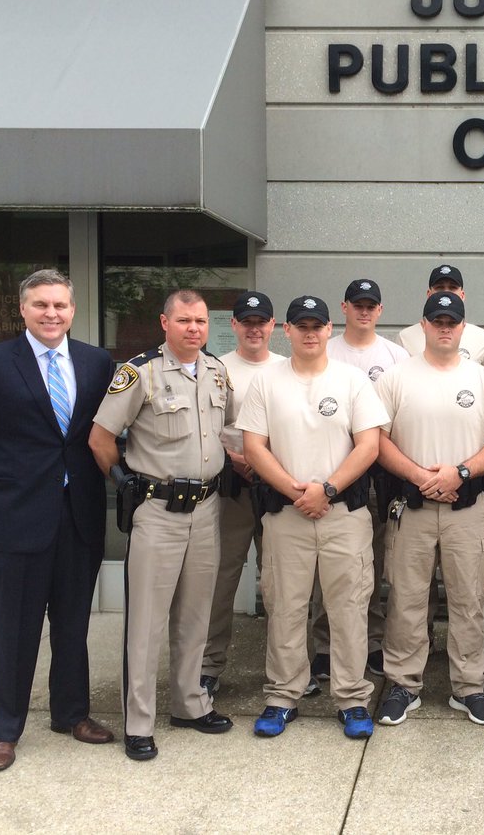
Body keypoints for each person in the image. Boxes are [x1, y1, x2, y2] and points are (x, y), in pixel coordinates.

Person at [0, 269, 116, 773]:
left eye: (60, 305)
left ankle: (72, 714)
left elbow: (102, 433)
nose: (51, 314)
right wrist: (0, 494)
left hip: (78, 516)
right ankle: (4, 728)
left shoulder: (96, 362)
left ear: (72, 310)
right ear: (22, 309)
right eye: (41, 305)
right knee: (15, 629)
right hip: (16, 518)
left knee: (73, 625)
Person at [89, 289, 236, 762]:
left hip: (207, 509)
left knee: (196, 615)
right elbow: (100, 438)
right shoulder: (139, 373)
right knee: (147, 622)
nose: (194, 328)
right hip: (157, 511)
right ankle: (138, 721)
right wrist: (123, 480)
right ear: (164, 323)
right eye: (184, 320)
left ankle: (190, 704)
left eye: (200, 321)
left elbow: (225, 432)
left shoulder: (216, 371)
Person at [237, 295, 390, 739]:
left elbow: (369, 445)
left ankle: (352, 697)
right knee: (284, 606)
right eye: (300, 326)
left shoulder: (353, 380)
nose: (309, 333)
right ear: (287, 330)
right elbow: (254, 447)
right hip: (286, 514)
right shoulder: (267, 382)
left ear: (328, 330)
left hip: (343, 512)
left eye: (316, 326)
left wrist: (326, 489)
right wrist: (296, 491)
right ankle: (284, 695)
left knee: (348, 607)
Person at [375, 291, 484, 726]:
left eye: (452, 320)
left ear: (463, 326)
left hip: (467, 508)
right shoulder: (396, 377)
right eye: (437, 319)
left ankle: (469, 686)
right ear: (424, 325)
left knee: (470, 599)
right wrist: (421, 477)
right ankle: (403, 684)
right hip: (411, 505)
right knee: (407, 600)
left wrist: (461, 473)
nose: (445, 326)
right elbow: (375, 439)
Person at [310, 278, 409, 681]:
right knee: (326, 567)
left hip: (379, 471)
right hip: (331, 471)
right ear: (344, 308)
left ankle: (371, 642)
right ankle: (323, 646)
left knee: (372, 562)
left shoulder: (396, 355)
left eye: (372, 305)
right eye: (358, 304)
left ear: (380, 311)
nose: (365, 311)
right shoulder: (325, 349)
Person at [200, 291, 286, 698]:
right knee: (220, 579)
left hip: (278, 491)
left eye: (261, 321)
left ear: (273, 326)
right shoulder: (215, 370)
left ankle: (287, 670)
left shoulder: (288, 369)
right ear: (233, 325)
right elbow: (203, 427)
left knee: (284, 582)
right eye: (246, 321)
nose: (254, 328)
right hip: (231, 487)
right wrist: (234, 459)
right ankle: (207, 665)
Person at [396, 264, 484, 367]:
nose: (446, 293)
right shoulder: (406, 337)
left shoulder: (483, 338)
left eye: (452, 288)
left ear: (462, 295)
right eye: (439, 288)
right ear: (429, 294)